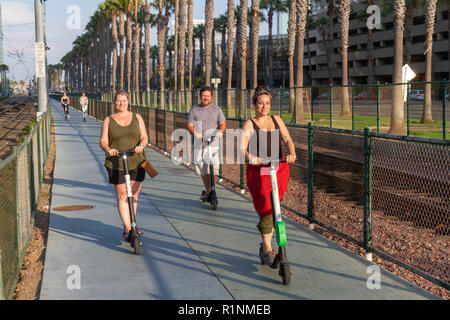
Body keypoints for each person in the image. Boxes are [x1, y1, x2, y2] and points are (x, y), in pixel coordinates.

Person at [240, 86, 296, 267]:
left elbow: (287, 140)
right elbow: (242, 148)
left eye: (267, 103)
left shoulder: (276, 119)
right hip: (259, 170)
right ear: (254, 105)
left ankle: (266, 249)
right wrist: (251, 157)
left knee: (275, 208)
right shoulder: (249, 124)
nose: (264, 107)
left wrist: (292, 152)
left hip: (277, 168)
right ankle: (267, 249)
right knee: (266, 208)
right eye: (261, 103)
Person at [99, 91, 148, 241]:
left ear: (128, 102)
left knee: (133, 195)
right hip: (117, 162)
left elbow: (144, 137)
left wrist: (141, 145)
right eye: (118, 101)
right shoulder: (109, 120)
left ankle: (133, 224)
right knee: (122, 195)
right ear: (114, 103)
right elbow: (103, 141)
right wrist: (109, 149)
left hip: (137, 160)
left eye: (124, 101)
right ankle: (128, 227)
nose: (121, 103)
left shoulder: (137, 117)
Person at [187, 86, 226, 201]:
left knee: (214, 167)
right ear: (200, 96)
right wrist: (196, 133)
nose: (205, 98)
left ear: (211, 97)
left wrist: (220, 131)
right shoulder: (194, 110)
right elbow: (190, 126)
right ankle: (208, 191)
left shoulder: (217, 109)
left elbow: (223, 123)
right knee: (202, 168)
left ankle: (212, 190)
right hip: (199, 143)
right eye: (204, 96)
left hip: (213, 143)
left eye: (208, 96)